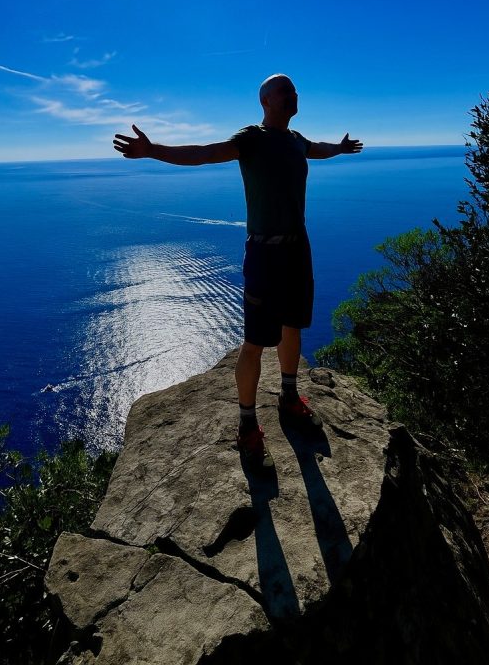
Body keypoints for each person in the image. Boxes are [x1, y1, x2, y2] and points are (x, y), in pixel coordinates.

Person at [113, 74, 363, 470]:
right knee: (254, 341)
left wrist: (342, 148)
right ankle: (247, 424)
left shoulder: (296, 140)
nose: (293, 96)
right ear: (265, 101)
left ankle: (289, 396)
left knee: (293, 325)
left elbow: (319, 149)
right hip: (264, 252)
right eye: (285, 92)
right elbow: (204, 153)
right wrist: (152, 150)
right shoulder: (252, 139)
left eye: (295, 91)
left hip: (298, 248)